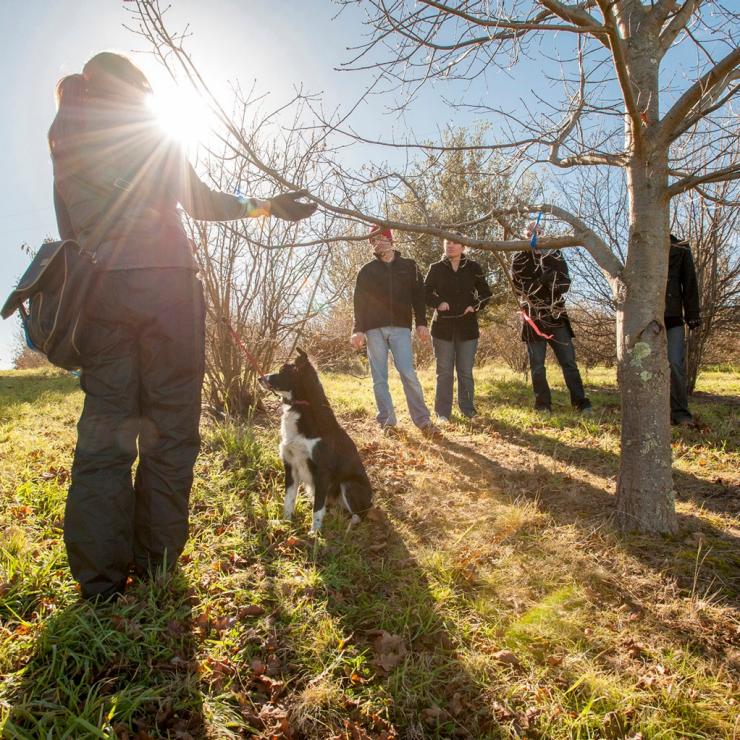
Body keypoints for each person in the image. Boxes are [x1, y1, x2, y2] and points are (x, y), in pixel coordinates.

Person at [50, 52, 316, 601]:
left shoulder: (63, 133)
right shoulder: (147, 127)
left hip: (100, 292)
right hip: (169, 288)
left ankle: (99, 586)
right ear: (133, 86)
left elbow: (68, 227)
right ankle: (157, 567)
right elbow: (201, 201)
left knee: (104, 436)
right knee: (170, 431)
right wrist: (267, 205)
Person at [350, 226, 439, 437]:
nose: (378, 243)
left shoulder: (410, 267)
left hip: (400, 328)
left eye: (382, 238)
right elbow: (359, 303)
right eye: (373, 240)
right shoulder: (366, 271)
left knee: (408, 372)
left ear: (391, 240)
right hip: (373, 329)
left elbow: (418, 297)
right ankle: (387, 423)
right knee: (379, 377)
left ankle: (423, 421)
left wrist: (421, 323)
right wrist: (358, 329)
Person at [511, 222, 592, 416]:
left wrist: (552, 280)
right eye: (531, 232)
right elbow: (520, 288)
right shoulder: (519, 257)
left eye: (539, 232)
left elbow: (565, 283)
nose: (535, 235)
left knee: (569, 363)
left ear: (544, 234)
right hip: (533, 316)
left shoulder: (554, 254)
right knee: (537, 365)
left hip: (556, 315)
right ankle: (543, 405)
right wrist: (540, 281)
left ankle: (581, 403)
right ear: (525, 235)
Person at [424, 236, 492, 421]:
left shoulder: (473, 267)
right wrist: (438, 302)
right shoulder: (435, 268)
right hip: (442, 328)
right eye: (448, 243)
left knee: (465, 371)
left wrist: (475, 306)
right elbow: (425, 292)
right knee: (444, 372)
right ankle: (442, 414)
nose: (451, 246)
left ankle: (468, 411)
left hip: (467, 327)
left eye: (455, 243)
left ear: (463, 246)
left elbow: (486, 293)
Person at [665, 233, 701, 426]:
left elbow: (689, 282)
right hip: (646, 319)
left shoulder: (680, 247)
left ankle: (680, 413)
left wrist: (692, 314)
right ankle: (651, 410)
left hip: (672, 317)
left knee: (675, 364)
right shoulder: (641, 244)